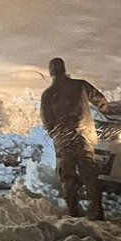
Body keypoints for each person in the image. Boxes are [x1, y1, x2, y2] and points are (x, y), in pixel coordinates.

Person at [40, 57, 111, 220]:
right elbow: (101, 102)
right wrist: (109, 114)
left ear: (51, 72)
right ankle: (97, 211)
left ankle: (73, 213)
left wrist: (56, 135)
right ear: (64, 70)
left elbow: (47, 121)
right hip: (84, 137)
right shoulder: (80, 86)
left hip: (64, 141)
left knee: (67, 177)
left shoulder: (48, 95)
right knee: (89, 174)